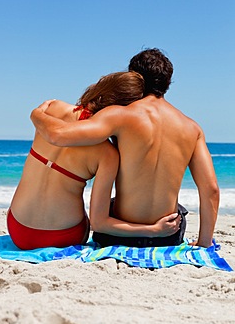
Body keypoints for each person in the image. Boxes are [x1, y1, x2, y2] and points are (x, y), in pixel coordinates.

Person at [31, 48, 219, 248]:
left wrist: (36, 114)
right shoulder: (192, 128)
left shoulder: (119, 115)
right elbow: (211, 190)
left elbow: (59, 136)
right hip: (166, 236)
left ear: (133, 77)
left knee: (112, 205)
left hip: (118, 235)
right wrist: (204, 243)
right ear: (167, 82)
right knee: (177, 210)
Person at [8, 71, 180, 250]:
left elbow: (51, 124)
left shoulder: (52, 108)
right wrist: (153, 230)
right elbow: (100, 223)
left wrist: (36, 113)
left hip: (18, 229)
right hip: (63, 236)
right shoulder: (107, 154)